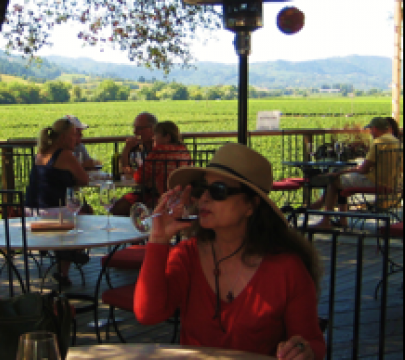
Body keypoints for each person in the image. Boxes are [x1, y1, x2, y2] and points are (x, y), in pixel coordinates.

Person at [134, 143, 325, 360]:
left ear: (251, 206)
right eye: (200, 188)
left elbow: (313, 344)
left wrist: (301, 350)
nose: (204, 198)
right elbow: (147, 314)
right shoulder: (187, 256)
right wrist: (158, 240)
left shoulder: (286, 269)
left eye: (218, 191)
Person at [24, 117, 90, 286]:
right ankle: (70, 253)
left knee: (78, 211)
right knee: (87, 213)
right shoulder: (65, 154)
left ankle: (68, 256)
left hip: (32, 210)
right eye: (74, 135)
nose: (76, 140)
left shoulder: (41, 152)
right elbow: (84, 180)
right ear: (64, 138)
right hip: (52, 211)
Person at [312, 117, 401, 228]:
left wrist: (341, 173)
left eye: (371, 130)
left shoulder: (378, 143)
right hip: (392, 184)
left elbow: (363, 169)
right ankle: (341, 219)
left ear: (375, 128)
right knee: (341, 181)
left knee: (333, 180)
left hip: (375, 182)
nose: (370, 133)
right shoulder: (396, 142)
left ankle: (326, 220)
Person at [129, 121, 192, 208]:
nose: (153, 138)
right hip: (184, 198)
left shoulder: (159, 151)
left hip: (165, 197)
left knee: (127, 204)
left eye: (156, 135)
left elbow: (139, 177)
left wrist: (133, 173)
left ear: (167, 137)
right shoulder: (184, 151)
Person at [110, 112, 158, 215]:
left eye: (139, 128)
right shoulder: (138, 148)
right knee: (118, 208)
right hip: (143, 192)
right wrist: (127, 149)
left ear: (152, 129)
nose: (135, 132)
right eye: (135, 128)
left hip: (157, 194)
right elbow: (124, 169)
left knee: (120, 208)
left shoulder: (160, 148)